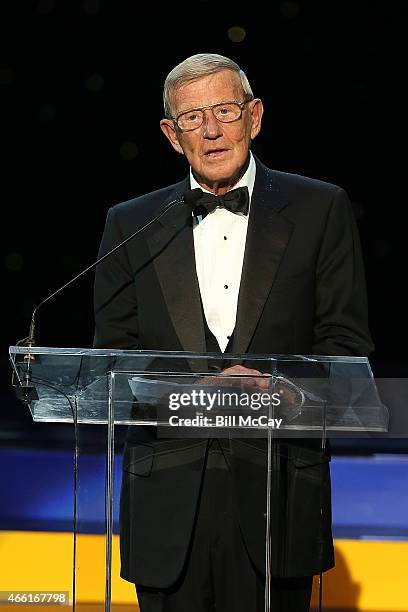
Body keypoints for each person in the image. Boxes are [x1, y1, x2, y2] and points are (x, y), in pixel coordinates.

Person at [93, 53, 374, 612]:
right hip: (167, 498)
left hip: (279, 494)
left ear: (256, 116)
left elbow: (346, 348)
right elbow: (114, 361)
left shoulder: (320, 209)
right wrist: (191, 389)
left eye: (225, 110)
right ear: (173, 136)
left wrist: (280, 389)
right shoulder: (130, 222)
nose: (213, 130)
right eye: (194, 119)